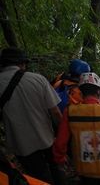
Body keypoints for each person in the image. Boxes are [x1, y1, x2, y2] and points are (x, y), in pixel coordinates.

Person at [0, 47, 63, 184]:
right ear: (23, 63)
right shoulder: (38, 79)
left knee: (38, 176)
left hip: (21, 144)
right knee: (55, 168)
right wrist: (62, 134)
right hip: (46, 138)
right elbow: (56, 112)